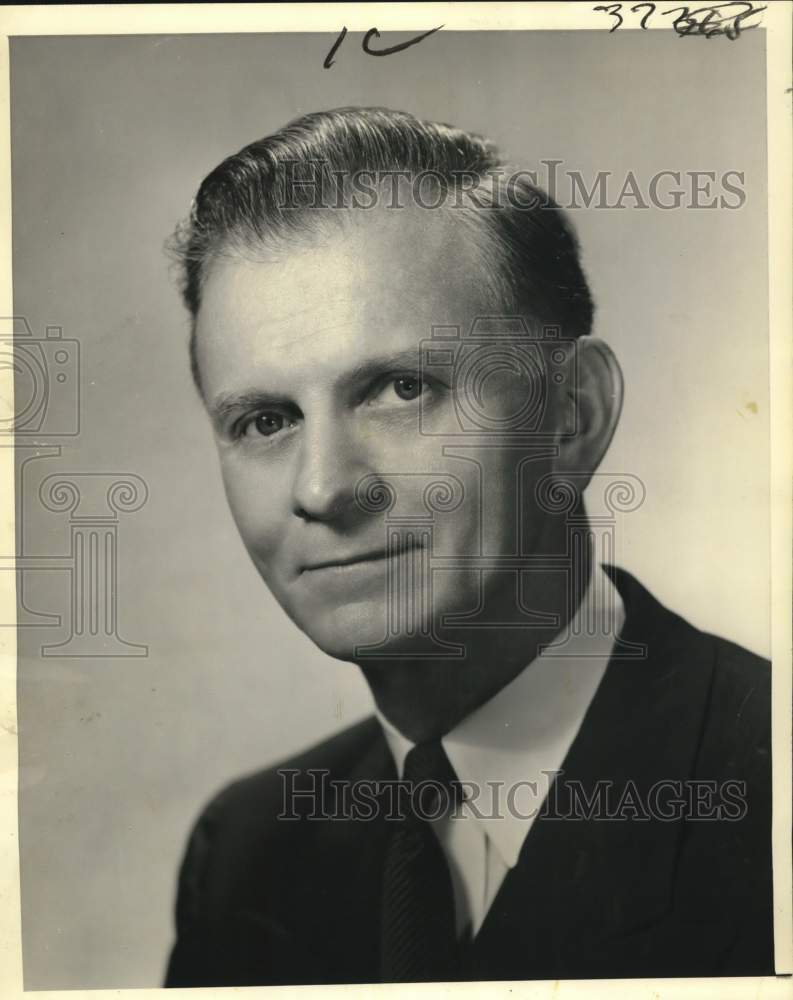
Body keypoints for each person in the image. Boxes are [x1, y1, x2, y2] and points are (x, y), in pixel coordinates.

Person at [163, 107, 773, 986]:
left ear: (571, 415)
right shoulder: (246, 859)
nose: (322, 489)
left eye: (400, 389)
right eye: (265, 421)